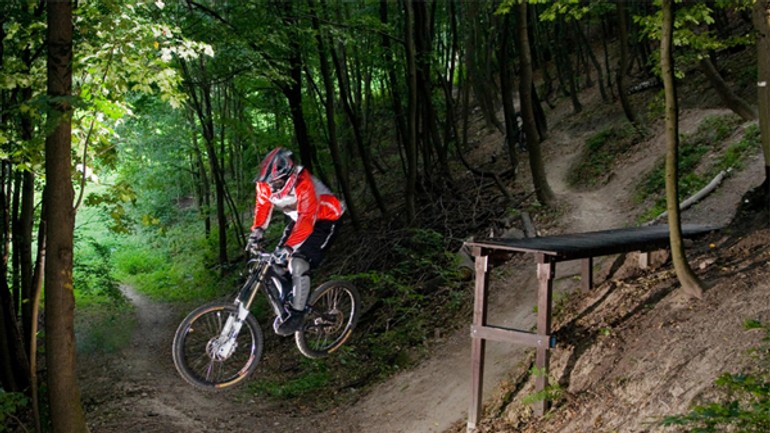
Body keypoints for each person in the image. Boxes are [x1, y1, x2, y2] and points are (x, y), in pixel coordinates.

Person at [248, 147, 344, 336]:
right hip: (299, 219)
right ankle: (292, 299)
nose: (272, 186)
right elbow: (262, 206)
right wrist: (257, 232)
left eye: (276, 182)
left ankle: (298, 314)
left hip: (326, 219)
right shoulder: (265, 184)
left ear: (288, 176)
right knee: (275, 264)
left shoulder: (303, 182)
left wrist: (289, 248)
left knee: (298, 262)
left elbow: (307, 220)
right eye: (270, 182)